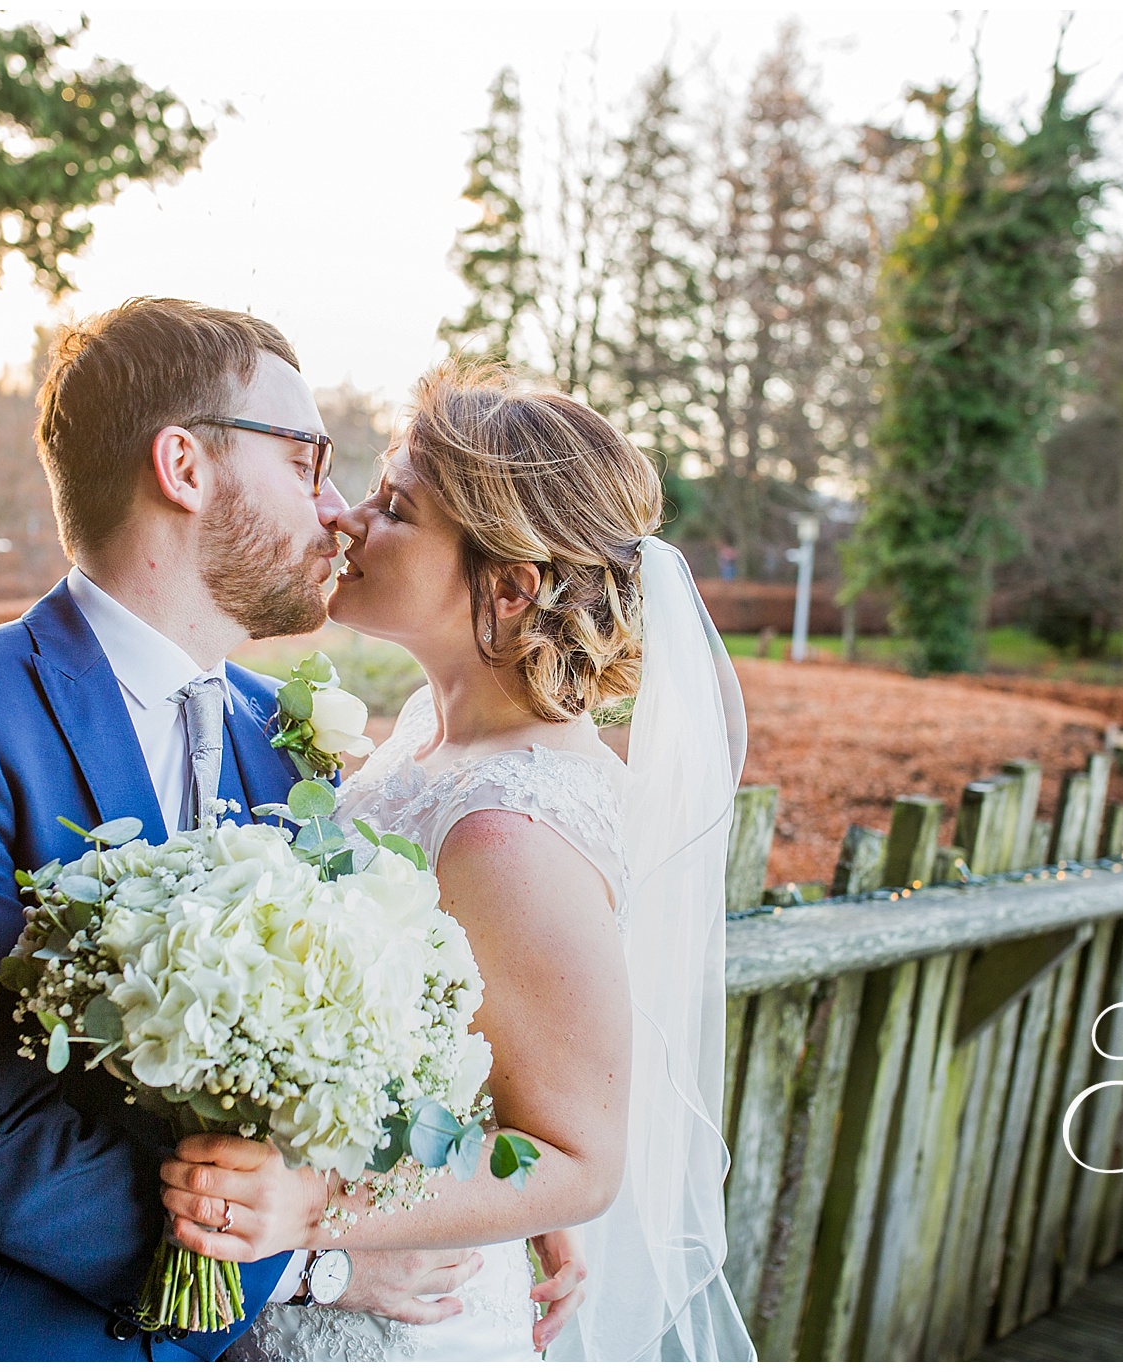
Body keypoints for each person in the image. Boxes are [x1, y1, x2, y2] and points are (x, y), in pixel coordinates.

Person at [0, 301, 544, 1358]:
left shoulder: (291, 745)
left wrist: (485, 1220)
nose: (338, 506)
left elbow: (350, 1064)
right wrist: (314, 1262)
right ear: (181, 464)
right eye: (308, 459)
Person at [160, 359, 758, 1361]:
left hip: (400, 1321)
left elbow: (577, 1157)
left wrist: (312, 1211)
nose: (345, 518)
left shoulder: (507, 825)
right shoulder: (425, 743)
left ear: (510, 586)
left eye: (394, 507)